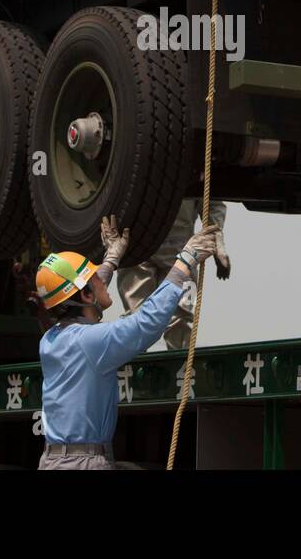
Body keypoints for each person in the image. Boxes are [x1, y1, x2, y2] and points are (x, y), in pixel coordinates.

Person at [35, 215, 223, 469]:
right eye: (95, 278)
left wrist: (112, 258)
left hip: (56, 460)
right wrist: (184, 261)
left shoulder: (51, 339)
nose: (102, 278)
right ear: (87, 294)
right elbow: (146, 323)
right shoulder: (90, 342)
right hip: (82, 463)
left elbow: (82, 294)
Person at [117, 198, 228, 350]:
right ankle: (134, 368)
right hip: (137, 248)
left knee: (181, 320)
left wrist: (218, 245)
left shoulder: (201, 174)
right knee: (135, 321)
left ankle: (181, 369)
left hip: (183, 251)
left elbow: (213, 200)